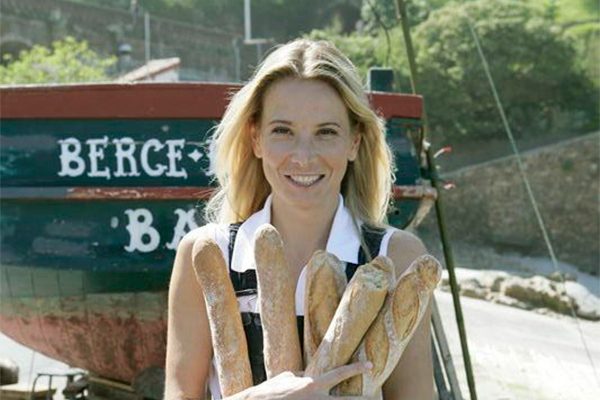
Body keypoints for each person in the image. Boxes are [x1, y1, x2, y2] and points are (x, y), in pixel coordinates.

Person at [164, 38, 433, 400]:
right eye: (283, 131)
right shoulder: (207, 254)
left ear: (354, 142)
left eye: (326, 132)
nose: (303, 157)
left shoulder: (396, 258)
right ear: (256, 139)